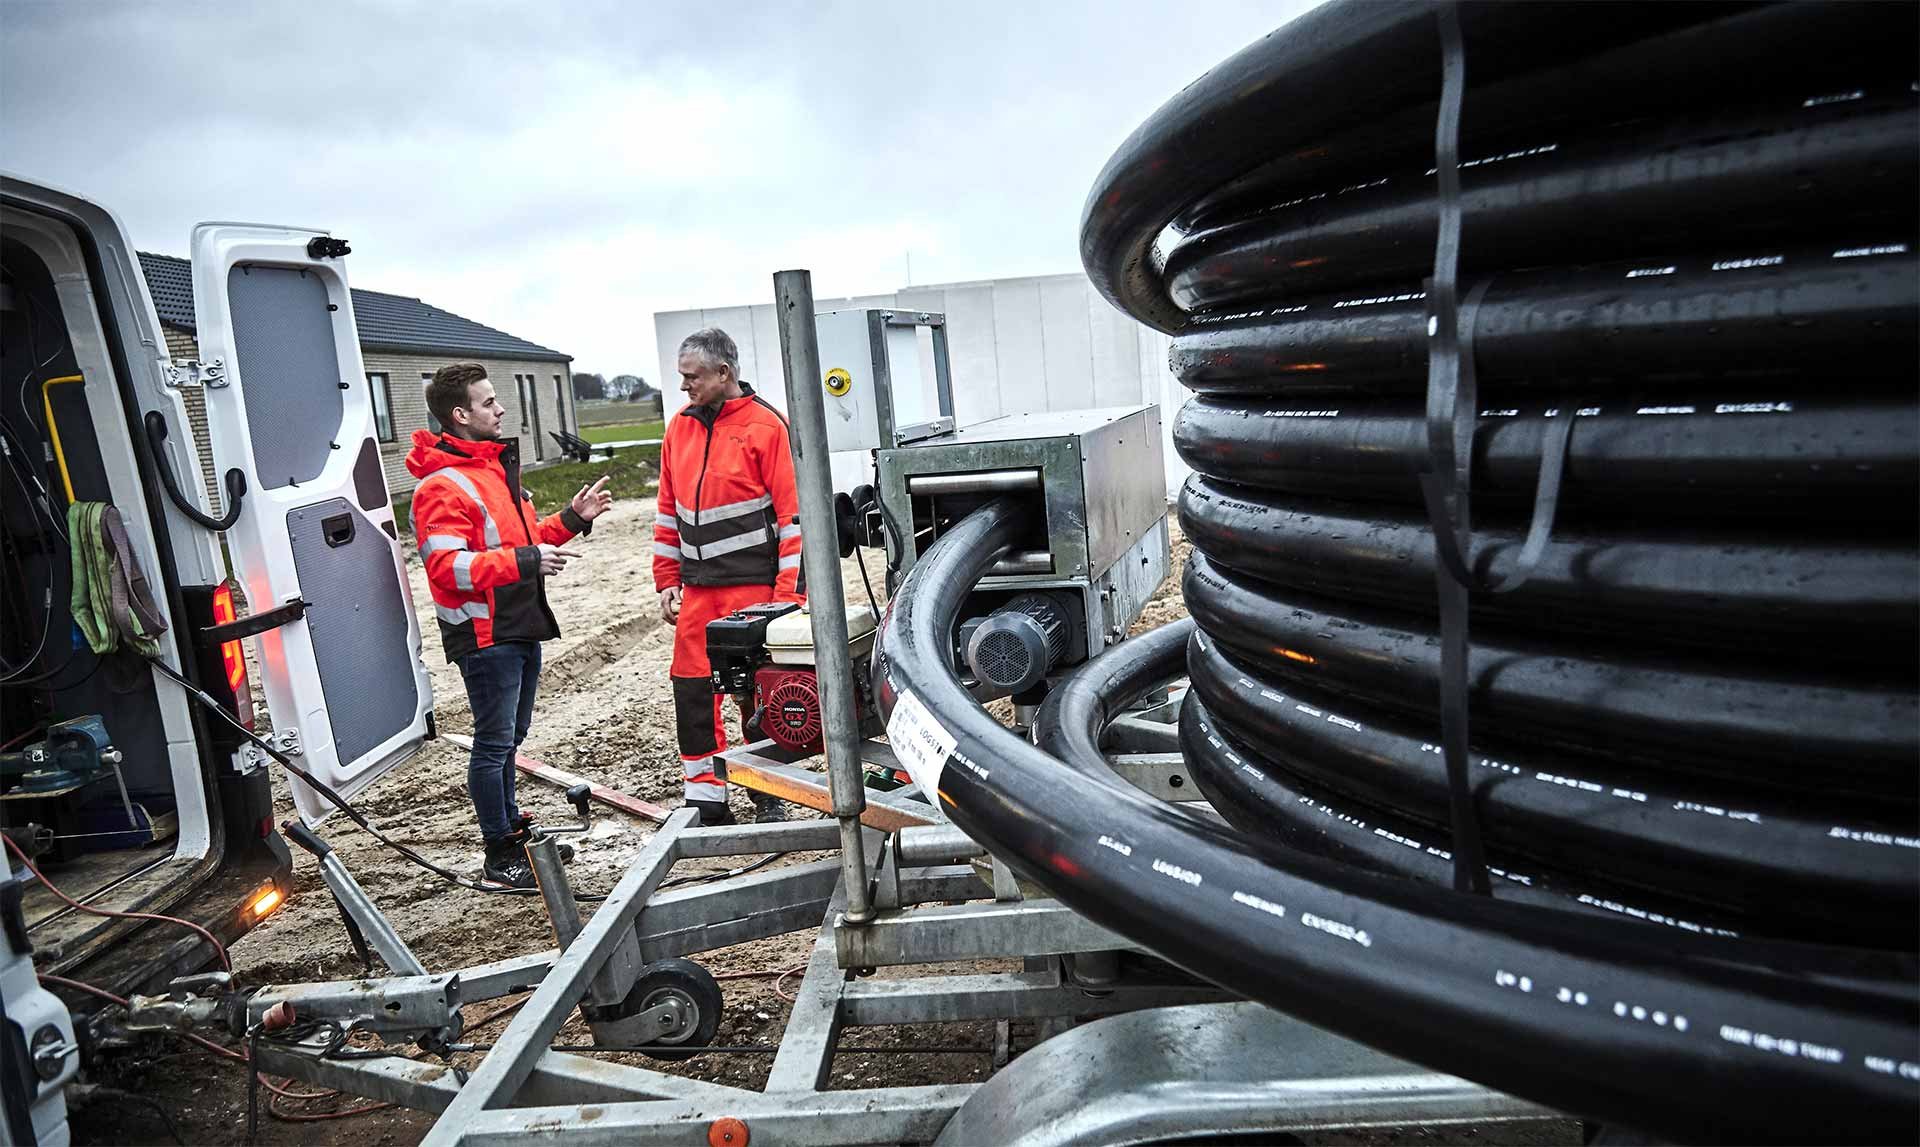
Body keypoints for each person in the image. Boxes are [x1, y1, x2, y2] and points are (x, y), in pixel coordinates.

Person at [406, 363, 613, 887]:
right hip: (484, 635)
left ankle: (511, 829)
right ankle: (499, 853)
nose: (500, 410)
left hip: (517, 625)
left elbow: (525, 539)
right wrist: (524, 562)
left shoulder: (493, 471)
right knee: (494, 742)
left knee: (511, 737)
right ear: (461, 414)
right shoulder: (441, 487)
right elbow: (447, 568)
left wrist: (572, 518)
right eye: (488, 402)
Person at [653, 328, 804, 826]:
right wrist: (667, 578)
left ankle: (766, 792)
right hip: (698, 591)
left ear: (724, 373)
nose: (684, 387)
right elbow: (667, 511)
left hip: (754, 590)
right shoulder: (678, 428)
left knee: (754, 693)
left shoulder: (767, 427)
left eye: (691, 377)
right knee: (692, 691)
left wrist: (786, 600)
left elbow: (794, 519)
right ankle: (706, 800)